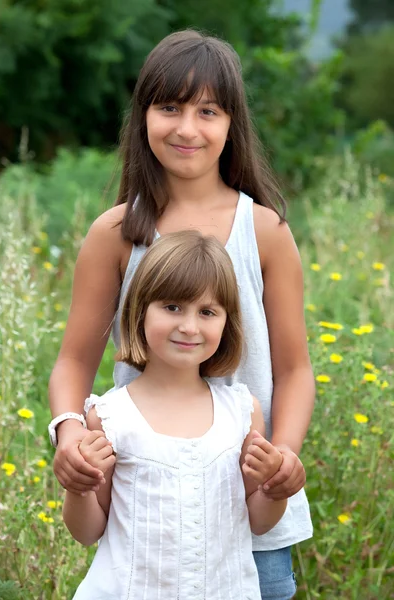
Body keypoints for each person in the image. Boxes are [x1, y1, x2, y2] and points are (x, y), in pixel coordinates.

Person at [49, 30, 315, 600]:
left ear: (231, 124)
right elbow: (73, 362)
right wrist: (70, 436)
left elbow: (294, 370)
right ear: (143, 114)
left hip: (252, 520)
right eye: (168, 107)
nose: (187, 128)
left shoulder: (265, 232)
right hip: (149, 522)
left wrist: (282, 458)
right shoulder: (117, 233)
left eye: (208, 111)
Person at [63, 231, 288, 599]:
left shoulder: (243, 413)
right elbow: (86, 532)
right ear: (139, 311)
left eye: (207, 312)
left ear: (226, 323)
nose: (189, 326)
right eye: (172, 307)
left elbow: (260, 522)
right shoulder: (109, 416)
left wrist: (276, 488)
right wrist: (79, 487)